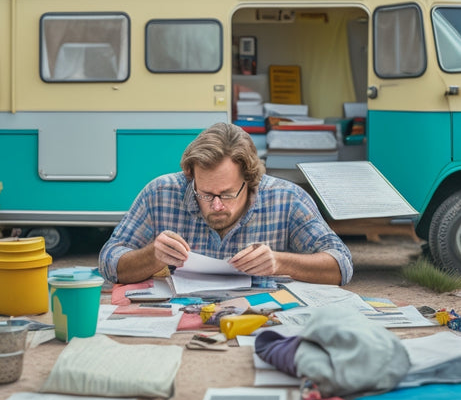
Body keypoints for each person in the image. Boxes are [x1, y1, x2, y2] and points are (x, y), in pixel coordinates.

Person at [99, 122, 353, 286]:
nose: (216, 206)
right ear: (191, 176)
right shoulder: (161, 192)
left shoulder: (287, 199)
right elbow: (109, 262)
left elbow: (341, 264)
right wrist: (152, 255)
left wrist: (280, 262)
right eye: (205, 194)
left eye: (228, 194)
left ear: (251, 180)